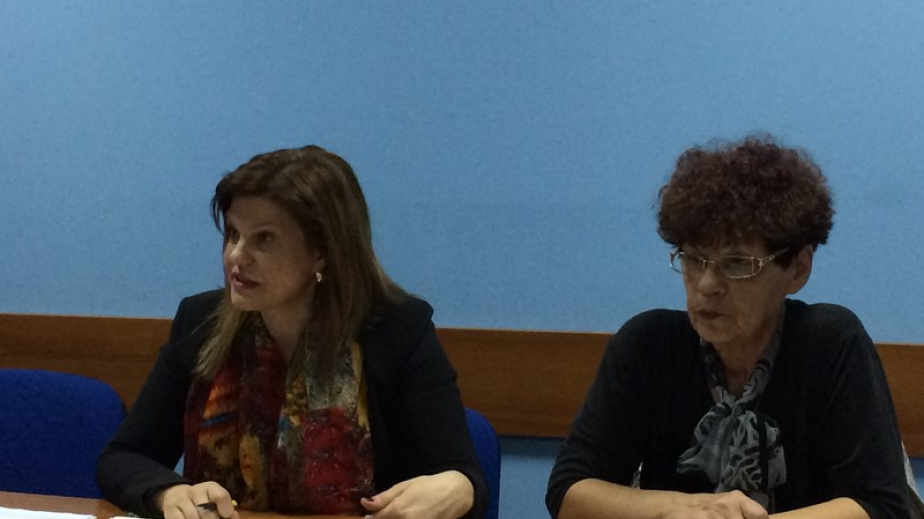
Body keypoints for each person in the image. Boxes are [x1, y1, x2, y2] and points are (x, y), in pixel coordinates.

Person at [97, 145, 487, 519]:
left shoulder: (396, 330)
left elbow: (462, 478)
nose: (236, 256)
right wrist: (168, 491)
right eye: (233, 234)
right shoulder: (200, 322)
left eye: (264, 239)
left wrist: (458, 486)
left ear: (322, 251)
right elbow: (124, 457)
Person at [547, 136, 921, 519]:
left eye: (738, 264)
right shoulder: (649, 346)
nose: (708, 285)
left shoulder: (829, 343)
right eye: (694, 260)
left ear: (798, 269)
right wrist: (689, 508)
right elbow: (569, 492)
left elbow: (881, 506)